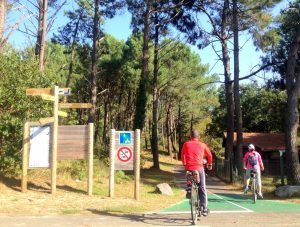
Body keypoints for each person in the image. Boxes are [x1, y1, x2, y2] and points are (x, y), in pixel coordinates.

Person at [181, 130, 213, 216]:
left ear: (190, 136)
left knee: (189, 175)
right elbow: (209, 155)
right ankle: (204, 208)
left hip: (189, 167)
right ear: (198, 137)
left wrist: (184, 164)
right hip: (199, 167)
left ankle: (189, 187)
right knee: (202, 187)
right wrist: (209, 164)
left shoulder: (186, 144)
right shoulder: (202, 145)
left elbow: (182, 155)